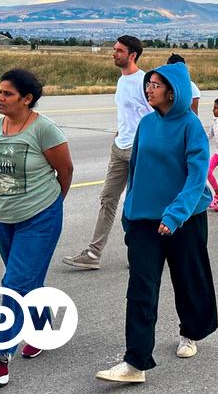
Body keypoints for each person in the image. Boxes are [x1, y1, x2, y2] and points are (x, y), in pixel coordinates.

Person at [96, 62, 217, 384]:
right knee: (140, 289)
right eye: (148, 83)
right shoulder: (147, 124)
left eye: (156, 85)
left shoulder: (191, 126)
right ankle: (135, 363)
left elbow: (196, 177)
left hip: (184, 220)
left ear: (173, 91)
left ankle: (190, 333)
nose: (149, 89)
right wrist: (128, 213)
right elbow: (135, 172)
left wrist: (175, 215)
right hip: (144, 220)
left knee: (188, 280)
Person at [0, 69, 73, 388]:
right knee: (28, 280)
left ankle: (0, 361)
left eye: (7, 94)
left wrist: (51, 207)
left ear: (26, 99)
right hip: (1, 216)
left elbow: (65, 171)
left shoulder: (45, 130)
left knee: (13, 284)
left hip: (39, 217)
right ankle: (41, 332)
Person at [63, 35, 152, 270]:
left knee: (136, 203)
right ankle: (93, 254)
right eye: (114, 49)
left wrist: (148, 144)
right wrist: (118, 135)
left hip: (139, 150)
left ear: (132, 55)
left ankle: (142, 252)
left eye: (119, 50)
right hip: (119, 148)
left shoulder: (144, 82)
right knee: (108, 198)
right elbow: (128, 115)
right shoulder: (122, 81)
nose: (114, 53)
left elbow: (156, 116)